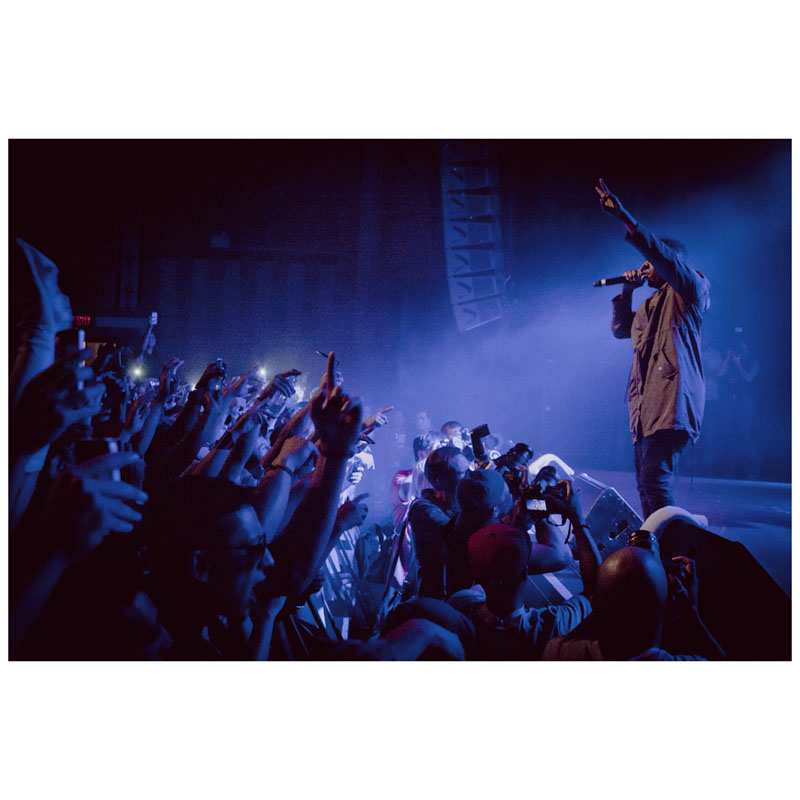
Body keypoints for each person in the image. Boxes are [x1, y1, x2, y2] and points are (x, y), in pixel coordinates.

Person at [596, 178, 710, 520]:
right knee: (644, 484)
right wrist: (628, 293)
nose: (643, 269)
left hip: (671, 401)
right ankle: (654, 544)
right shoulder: (649, 305)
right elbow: (622, 331)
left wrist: (625, 219)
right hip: (645, 406)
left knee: (655, 480)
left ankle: (670, 545)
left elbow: (660, 254)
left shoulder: (690, 289)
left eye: (649, 264)